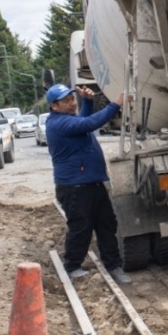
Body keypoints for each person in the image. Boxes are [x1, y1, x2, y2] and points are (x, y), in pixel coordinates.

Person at [45, 83, 132, 285]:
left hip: (92, 183)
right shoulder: (57, 124)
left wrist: (89, 101)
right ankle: (72, 266)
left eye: (72, 99)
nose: (71, 103)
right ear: (54, 106)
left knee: (107, 225)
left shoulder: (69, 120)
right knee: (80, 227)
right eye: (66, 101)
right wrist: (115, 105)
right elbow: (88, 124)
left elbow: (83, 120)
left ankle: (114, 266)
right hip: (74, 186)